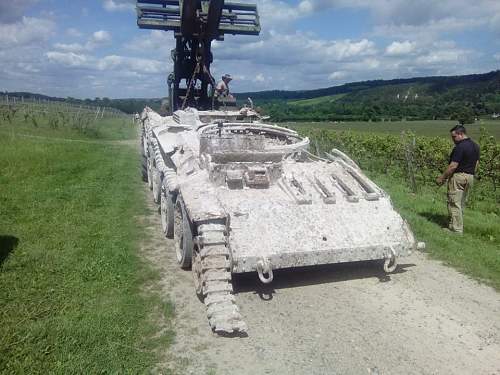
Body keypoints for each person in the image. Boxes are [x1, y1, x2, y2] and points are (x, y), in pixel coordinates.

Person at [436, 124, 480, 234]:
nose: (453, 140)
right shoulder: (475, 146)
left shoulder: (460, 147)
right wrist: (471, 174)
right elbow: (477, 163)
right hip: (470, 176)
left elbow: (453, 166)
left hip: (459, 176)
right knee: (460, 203)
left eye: (454, 137)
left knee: (453, 202)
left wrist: (442, 177)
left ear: (460, 134)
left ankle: (456, 230)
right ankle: (452, 225)